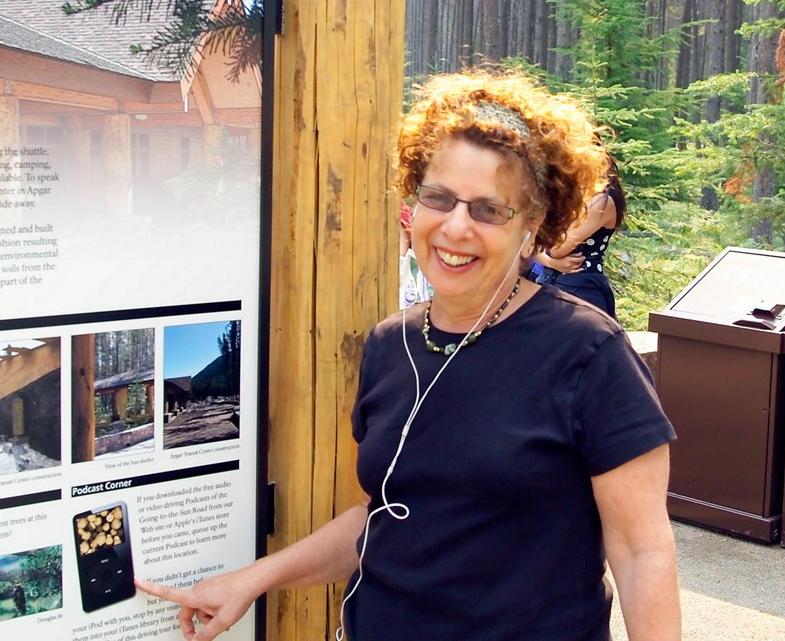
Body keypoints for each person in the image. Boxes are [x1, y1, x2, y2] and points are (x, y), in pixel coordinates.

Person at [135, 67, 681, 641]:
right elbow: (385, 514)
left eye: (488, 209)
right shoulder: (389, 344)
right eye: (438, 198)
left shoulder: (588, 352)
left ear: (534, 224)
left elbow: (642, 549)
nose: (455, 227)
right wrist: (251, 579)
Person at [535, 156, 626, 320]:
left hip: (581, 287)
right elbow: (526, 241)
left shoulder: (603, 200)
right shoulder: (568, 194)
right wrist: (551, 263)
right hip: (548, 282)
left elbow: (556, 248)